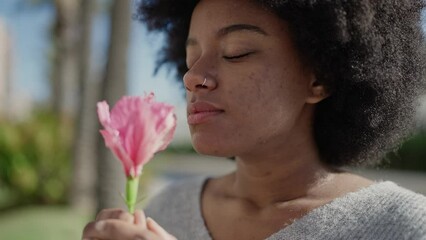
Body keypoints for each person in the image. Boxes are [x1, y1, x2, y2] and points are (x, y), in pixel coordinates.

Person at [82, 0, 426, 239]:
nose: (193, 77)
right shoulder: (167, 207)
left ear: (319, 78)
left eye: (236, 52)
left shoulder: (405, 226)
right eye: (190, 58)